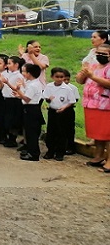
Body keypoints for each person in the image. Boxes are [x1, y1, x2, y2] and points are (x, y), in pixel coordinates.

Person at [76, 43, 110, 171]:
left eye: (104, 54)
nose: (100, 56)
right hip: (91, 104)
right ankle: (98, 156)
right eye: (98, 53)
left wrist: (93, 77)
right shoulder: (93, 66)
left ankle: (109, 161)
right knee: (97, 134)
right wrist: (83, 74)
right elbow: (80, 80)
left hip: (106, 105)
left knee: (107, 135)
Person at [42, 67, 77, 161]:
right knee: (51, 131)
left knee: (61, 132)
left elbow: (72, 101)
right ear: (52, 77)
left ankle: (60, 152)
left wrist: (64, 107)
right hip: (52, 111)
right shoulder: (49, 86)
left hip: (63, 112)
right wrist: (49, 99)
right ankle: (50, 150)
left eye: (61, 77)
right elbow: (45, 96)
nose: (59, 79)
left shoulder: (67, 89)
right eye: (57, 77)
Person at [13, 63, 44, 161]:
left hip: (32, 109)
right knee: (29, 131)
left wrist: (19, 91)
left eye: (24, 72)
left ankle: (34, 154)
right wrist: (19, 95)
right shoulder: (31, 83)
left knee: (32, 133)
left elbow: (27, 99)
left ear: (29, 73)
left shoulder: (33, 85)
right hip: (30, 108)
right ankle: (30, 151)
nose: (23, 74)